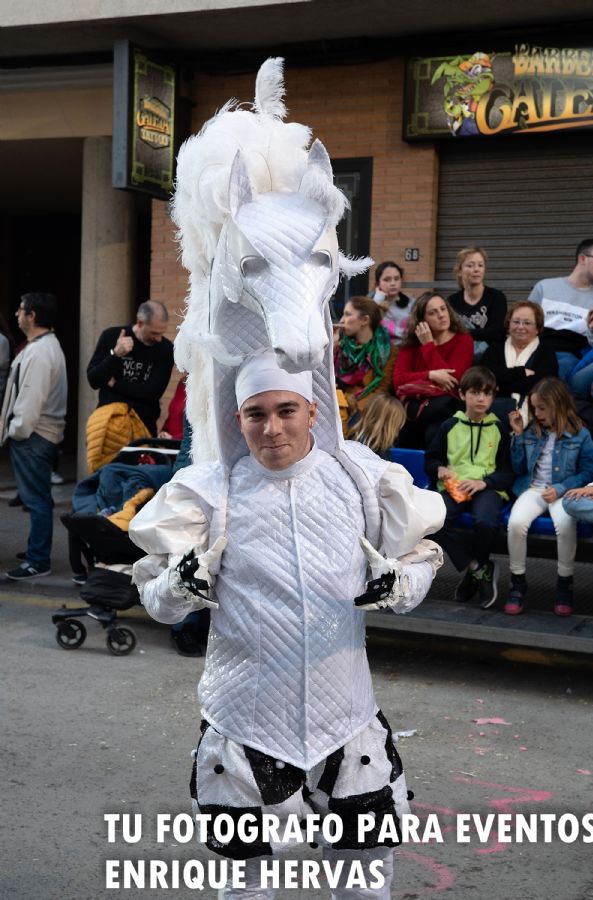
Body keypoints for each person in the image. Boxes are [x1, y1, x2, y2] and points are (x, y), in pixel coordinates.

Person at [129, 350, 445, 897]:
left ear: (313, 411)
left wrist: (398, 585)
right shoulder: (210, 492)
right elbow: (157, 601)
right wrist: (180, 585)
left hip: (346, 718)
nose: (272, 428)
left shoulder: (361, 480)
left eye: (286, 410)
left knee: (364, 874)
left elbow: (421, 560)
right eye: (257, 414)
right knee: (248, 881)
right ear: (238, 420)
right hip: (244, 720)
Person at [505, 377, 593, 617]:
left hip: (564, 492)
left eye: (542, 408)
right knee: (515, 523)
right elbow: (518, 468)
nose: (537, 413)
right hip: (534, 488)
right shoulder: (531, 431)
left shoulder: (580, 434)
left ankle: (565, 584)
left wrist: (562, 487)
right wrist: (516, 436)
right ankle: (517, 581)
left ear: (558, 405)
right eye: (534, 408)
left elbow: (587, 471)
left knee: (565, 525)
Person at [426, 366, 513, 609]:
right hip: (455, 487)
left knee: (485, 521)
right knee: (433, 519)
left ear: (493, 397)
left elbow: (507, 472)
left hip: (487, 487)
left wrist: (485, 482)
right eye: (475, 392)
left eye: (487, 394)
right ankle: (477, 568)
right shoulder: (450, 425)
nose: (481, 399)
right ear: (463, 394)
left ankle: (475, 576)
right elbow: (431, 459)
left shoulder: (499, 429)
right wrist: (439, 469)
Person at [0, 292, 67, 579]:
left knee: (36, 500)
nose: (16, 314)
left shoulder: (40, 352)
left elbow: (29, 401)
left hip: (34, 436)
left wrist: (14, 431)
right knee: (38, 498)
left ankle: (38, 561)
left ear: (33, 316)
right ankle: (35, 551)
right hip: (39, 436)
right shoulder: (42, 346)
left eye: (21, 309)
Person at [392, 291, 474, 448]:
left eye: (443, 309)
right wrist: (432, 375)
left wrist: (428, 346)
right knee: (400, 434)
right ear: (422, 321)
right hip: (414, 408)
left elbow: (452, 381)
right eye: (433, 313)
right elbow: (398, 380)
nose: (441, 315)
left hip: (444, 411)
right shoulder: (411, 344)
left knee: (434, 433)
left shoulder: (463, 340)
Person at [86, 300, 174, 436]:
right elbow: (94, 380)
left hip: (143, 426)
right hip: (109, 425)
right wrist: (115, 355)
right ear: (140, 323)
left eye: (162, 333)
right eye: (154, 333)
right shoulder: (111, 336)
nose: (158, 339)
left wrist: (115, 385)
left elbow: (152, 393)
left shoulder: (165, 349)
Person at [529, 238, 593, 380]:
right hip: (536, 350)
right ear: (582, 259)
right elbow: (524, 321)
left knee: (560, 367)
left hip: (571, 356)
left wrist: (592, 329)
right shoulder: (545, 287)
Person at [480, 301, 558, 425]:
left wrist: (500, 386)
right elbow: (485, 377)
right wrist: (521, 372)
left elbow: (542, 385)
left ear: (537, 328)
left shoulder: (546, 351)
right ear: (508, 324)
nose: (520, 327)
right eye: (516, 321)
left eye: (527, 323)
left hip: (535, 416)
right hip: (493, 413)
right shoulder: (495, 349)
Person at [334, 296, 398, 432]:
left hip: (366, 408)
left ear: (364, 320)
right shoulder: (339, 345)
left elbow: (381, 390)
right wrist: (332, 347)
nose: (341, 320)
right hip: (338, 403)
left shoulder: (387, 351)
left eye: (347, 314)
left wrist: (354, 402)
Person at [447, 246, 507, 357]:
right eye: (470, 265)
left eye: (480, 265)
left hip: (490, 358)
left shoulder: (496, 297)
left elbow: (498, 332)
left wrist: (464, 332)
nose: (476, 269)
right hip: (460, 356)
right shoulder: (452, 301)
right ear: (459, 271)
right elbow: (448, 333)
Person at [370, 260, 414, 343]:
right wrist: (378, 299)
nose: (393, 283)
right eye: (387, 280)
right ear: (377, 284)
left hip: (406, 350)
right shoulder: (370, 304)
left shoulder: (412, 304)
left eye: (397, 279)